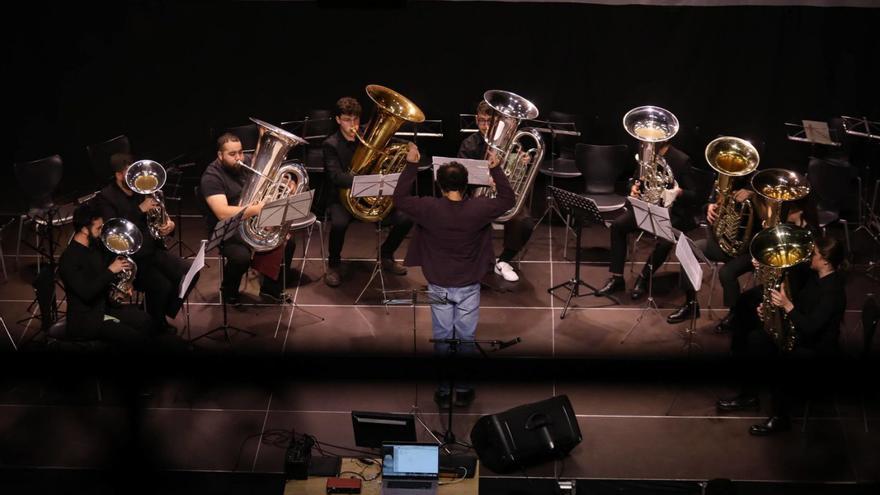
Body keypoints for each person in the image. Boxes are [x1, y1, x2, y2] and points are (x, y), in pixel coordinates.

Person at [394, 144, 515, 410]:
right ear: (467, 184)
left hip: (438, 282)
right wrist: (497, 169)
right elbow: (508, 201)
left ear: (438, 184)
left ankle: (442, 389)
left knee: (441, 335)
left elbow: (400, 199)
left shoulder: (428, 208)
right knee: (465, 338)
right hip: (469, 284)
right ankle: (462, 389)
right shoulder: (479, 209)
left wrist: (412, 164)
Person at [718, 235, 847, 436]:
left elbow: (811, 327)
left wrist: (786, 306)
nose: (809, 257)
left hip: (817, 348)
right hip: (802, 334)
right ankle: (749, 395)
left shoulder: (833, 292)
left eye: (814, 255)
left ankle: (781, 418)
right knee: (756, 339)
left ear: (826, 261)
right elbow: (801, 308)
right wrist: (769, 311)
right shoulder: (815, 277)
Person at [322, 96, 412, 287]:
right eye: (347, 120)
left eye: (355, 119)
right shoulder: (330, 144)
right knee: (338, 224)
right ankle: (334, 265)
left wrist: (409, 145)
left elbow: (392, 140)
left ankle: (386, 255)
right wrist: (367, 181)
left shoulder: (367, 134)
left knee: (406, 217)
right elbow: (335, 177)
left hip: (372, 197)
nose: (352, 124)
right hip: (343, 198)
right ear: (338, 120)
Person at [200, 133, 300, 304]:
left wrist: (286, 182)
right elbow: (222, 213)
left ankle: (271, 288)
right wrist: (257, 209)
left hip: (252, 219)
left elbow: (270, 178)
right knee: (241, 257)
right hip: (227, 229)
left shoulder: (246, 162)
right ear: (220, 155)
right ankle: (229, 291)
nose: (239, 158)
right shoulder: (211, 177)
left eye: (240, 152)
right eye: (232, 154)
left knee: (287, 242)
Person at [97, 153, 191, 333]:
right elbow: (113, 229)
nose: (134, 177)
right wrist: (140, 209)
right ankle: (156, 324)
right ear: (118, 174)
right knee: (162, 286)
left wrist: (168, 224)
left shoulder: (141, 189)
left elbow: (158, 214)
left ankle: (155, 314)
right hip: (130, 258)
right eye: (128, 172)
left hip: (152, 250)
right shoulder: (106, 197)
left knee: (188, 274)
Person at [595, 142, 700, 300]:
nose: (648, 141)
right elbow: (636, 179)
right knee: (617, 226)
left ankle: (643, 278)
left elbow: (695, 195)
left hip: (672, 212)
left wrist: (678, 192)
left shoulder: (681, 159)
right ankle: (617, 278)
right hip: (647, 208)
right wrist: (633, 187)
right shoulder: (647, 153)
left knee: (665, 241)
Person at [457, 100, 536, 282]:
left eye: (490, 122)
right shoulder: (469, 144)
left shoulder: (509, 143)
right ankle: (473, 259)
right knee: (470, 218)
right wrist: (486, 179)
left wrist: (521, 161)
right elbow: (460, 176)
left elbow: (515, 176)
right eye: (481, 121)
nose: (485, 126)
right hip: (476, 196)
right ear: (476, 120)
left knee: (524, 222)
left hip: (502, 196)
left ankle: (504, 260)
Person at [58, 203, 153, 346]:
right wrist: (111, 271)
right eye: (98, 228)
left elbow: (103, 275)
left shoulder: (96, 245)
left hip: (105, 307)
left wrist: (122, 286)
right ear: (84, 229)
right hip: (86, 319)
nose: (102, 231)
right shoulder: (69, 259)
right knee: (134, 339)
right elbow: (86, 292)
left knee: (146, 321)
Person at [666, 187, 757, 325]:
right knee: (688, 250)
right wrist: (709, 207)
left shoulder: (760, 189)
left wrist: (754, 196)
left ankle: (735, 314)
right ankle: (691, 305)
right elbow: (706, 203)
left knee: (726, 273)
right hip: (723, 243)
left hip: (749, 250)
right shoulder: (728, 182)